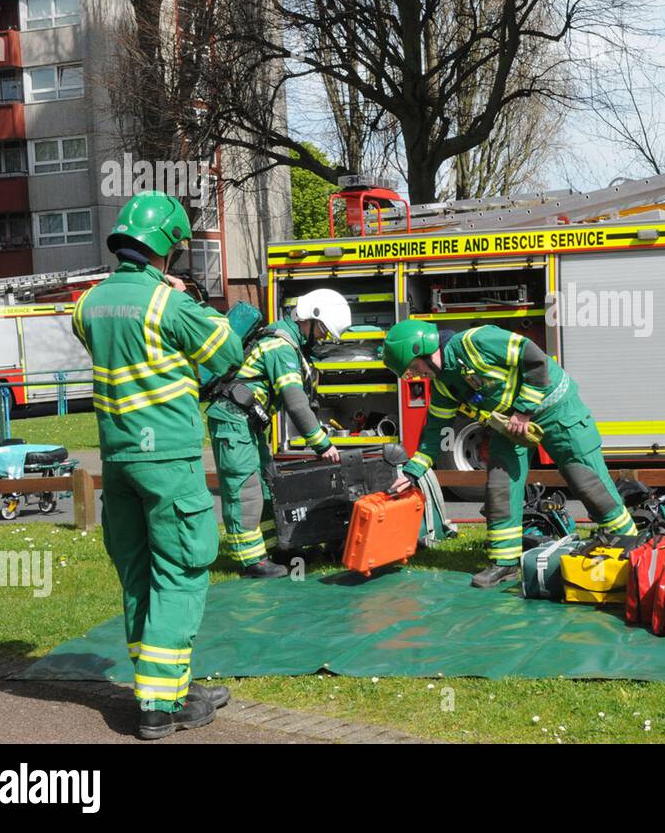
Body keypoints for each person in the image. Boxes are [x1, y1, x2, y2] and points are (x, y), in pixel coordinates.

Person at [72, 191, 243, 739]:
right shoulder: (168, 304)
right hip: (168, 460)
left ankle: (170, 684)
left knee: (138, 573)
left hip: (118, 460)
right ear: (168, 248)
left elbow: (111, 337)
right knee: (180, 572)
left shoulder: (88, 304)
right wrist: (188, 299)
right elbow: (226, 351)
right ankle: (159, 707)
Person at [384, 319, 636, 588]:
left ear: (422, 349)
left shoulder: (476, 342)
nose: (417, 374)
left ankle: (629, 544)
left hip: (556, 409)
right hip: (510, 425)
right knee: (500, 487)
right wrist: (412, 472)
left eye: (414, 367)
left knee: (586, 480)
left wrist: (524, 410)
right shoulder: (445, 384)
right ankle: (504, 564)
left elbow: (536, 361)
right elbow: (434, 431)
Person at [205, 289, 350, 577]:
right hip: (233, 422)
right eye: (321, 331)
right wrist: (323, 445)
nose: (320, 338)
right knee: (244, 490)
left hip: (247, 422)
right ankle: (251, 561)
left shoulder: (288, 344)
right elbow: (295, 403)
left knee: (267, 485)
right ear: (309, 318)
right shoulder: (280, 347)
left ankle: (277, 548)